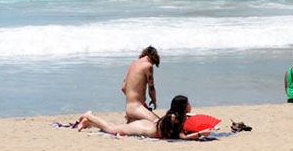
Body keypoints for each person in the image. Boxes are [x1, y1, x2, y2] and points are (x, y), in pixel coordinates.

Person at [75, 95, 211, 140]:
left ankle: (88, 122)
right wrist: (200, 134)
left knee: (114, 127)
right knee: (111, 128)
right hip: (143, 128)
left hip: (149, 125)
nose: (190, 105)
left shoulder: (179, 117)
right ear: (182, 106)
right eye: (187, 104)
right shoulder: (174, 118)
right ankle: (90, 116)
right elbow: (182, 137)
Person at [121, 46, 160, 123]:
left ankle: (132, 119)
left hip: (129, 108)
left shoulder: (132, 64)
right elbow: (151, 88)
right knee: (159, 124)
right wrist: (154, 100)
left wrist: (134, 98)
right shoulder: (148, 65)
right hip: (137, 108)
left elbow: (123, 88)